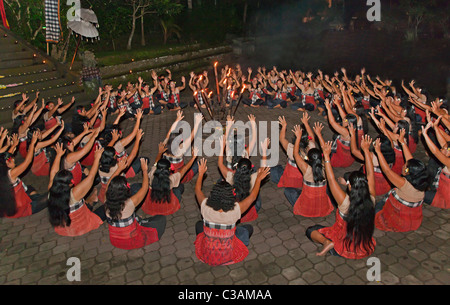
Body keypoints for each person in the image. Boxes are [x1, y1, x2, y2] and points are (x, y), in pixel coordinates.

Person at [305, 136, 376, 259]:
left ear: (350, 187)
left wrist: (326, 157)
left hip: (344, 245)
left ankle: (327, 242)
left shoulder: (345, 203)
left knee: (311, 231)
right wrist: (365, 150)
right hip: (363, 245)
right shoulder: (372, 199)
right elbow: (370, 173)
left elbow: (331, 180)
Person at [193, 158, 270, 266]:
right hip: (228, 254)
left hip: (208, 254)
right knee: (248, 229)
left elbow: (197, 190)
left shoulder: (206, 207)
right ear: (230, 197)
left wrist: (201, 174)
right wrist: (258, 179)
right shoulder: (234, 210)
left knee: (199, 225)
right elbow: (252, 197)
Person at [105, 158, 166, 250]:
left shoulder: (107, 200)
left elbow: (109, 184)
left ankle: (137, 220)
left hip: (115, 240)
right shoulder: (129, 204)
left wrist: (119, 169)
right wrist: (145, 170)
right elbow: (144, 188)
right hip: (132, 241)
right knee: (161, 219)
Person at [47, 143, 106, 237]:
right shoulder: (74, 193)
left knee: (82, 204)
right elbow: (91, 177)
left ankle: (91, 200)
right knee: (110, 206)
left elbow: (53, 172)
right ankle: (92, 203)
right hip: (80, 226)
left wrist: (58, 155)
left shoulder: (51, 190)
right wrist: (97, 158)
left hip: (63, 227)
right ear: (70, 183)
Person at [374, 135, 429, 232]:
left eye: (405, 167)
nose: (403, 166)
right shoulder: (421, 180)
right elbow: (410, 161)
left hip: (399, 222)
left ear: (409, 172)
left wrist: (378, 151)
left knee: (373, 209)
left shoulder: (404, 184)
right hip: (413, 222)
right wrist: (402, 143)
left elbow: (387, 171)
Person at [284, 125, 333, 217]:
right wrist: (319, 134)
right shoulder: (326, 167)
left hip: (306, 207)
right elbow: (324, 149)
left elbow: (296, 154)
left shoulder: (306, 169)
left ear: (309, 159)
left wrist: (298, 137)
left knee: (288, 190)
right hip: (321, 207)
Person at [0, 131, 48, 218]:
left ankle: (34, 198)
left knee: (30, 189)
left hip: (14, 205)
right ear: (7, 162)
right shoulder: (11, 173)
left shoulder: (2, 168)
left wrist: (13, 145)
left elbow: (4, 157)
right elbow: (27, 162)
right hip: (22, 209)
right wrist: (32, 144)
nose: (14, 161)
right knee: (53, 196)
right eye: (12, 160)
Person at [141, 143, 198, 216]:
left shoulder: (152, 174)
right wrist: (193, 157)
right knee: (180, 187)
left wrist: (160, 152)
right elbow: (184, 169)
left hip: (151, 204)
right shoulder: (171, 179)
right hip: (167, 207)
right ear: (168, 170)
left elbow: (156, 163)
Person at [271, 113, 316, 189]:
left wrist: (284, 126)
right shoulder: (311, 147)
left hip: (290, 180)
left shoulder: (291, 149)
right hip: (303, 180)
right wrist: (306, 123)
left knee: (272, 169)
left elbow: (282, 139)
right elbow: (312, 137)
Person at [421, 120, 449, 209]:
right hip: (438, 188)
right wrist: (436, 127)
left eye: (445, 149)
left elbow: (436, 152)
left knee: (417, 193)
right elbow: (443, 143)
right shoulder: (447, 154)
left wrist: (425, 134)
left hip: (444, 198)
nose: (442, 149)